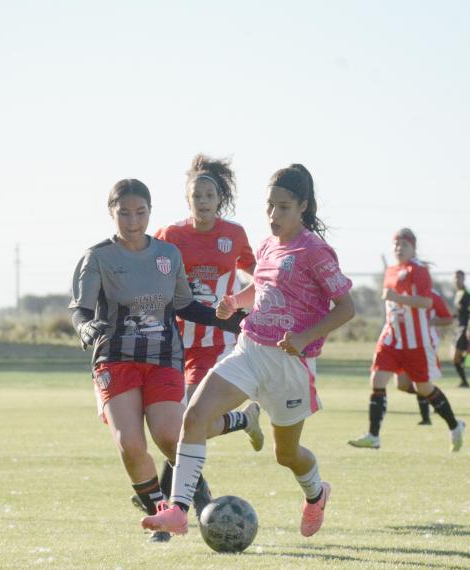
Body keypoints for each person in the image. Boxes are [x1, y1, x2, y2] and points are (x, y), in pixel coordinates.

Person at [140, 164, 355, 538]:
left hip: (290, 366)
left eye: (283, 207)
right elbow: (264, 288)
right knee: (193, 416)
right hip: (250, 348)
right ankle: (178, 510)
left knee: (286, 455)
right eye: (269, 206)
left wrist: (304, 339)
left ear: (303, 206)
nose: (273, 215)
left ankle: (317, 493)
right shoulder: (268, 245)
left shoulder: (315, 251)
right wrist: (234, 301)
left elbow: (347, 308)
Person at [68, 178, 245, 543]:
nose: (133, 221)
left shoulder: (167, 255)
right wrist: (85, 329)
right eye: (125, 213)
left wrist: (232, 318)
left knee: (170, 436)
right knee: (130, 446)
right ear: (111, 213)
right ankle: (162, 514)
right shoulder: (97, 257)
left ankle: (195, 495)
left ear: (150, 212)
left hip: (164, 357)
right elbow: (80, 311)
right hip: (115, 359)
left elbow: (184, 305)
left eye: (141, 212)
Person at [147, 154, 260, 507]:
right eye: (197, 196)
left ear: (219, 199)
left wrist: (245, 304)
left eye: (209, 196)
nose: (204, 202)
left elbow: (260, 277)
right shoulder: (170, 235)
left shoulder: (234, 234)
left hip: (219, 340)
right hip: (176, 342)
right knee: (180, 427)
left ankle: (172, 502)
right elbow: (148, 270)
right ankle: (244, 419)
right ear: (188, 200)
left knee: (189, 422)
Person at [348, 228, 465, 452]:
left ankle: (455, 425)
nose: (399, 249)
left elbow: (426, 303)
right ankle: (373, 436)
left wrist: (397, 297)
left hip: (415, 342)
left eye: (404, 245)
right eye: (396, 245)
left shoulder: (419, 270)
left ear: (413, 247)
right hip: (391, 337)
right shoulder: (391, 270)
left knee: (424, 388)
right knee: (377, 381)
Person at [394, 288, 455, 425]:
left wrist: (432, 322)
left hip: (425, 342)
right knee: (401, 384)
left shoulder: (433, 296)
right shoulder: (401, 294)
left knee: (419, 380)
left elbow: (448, 319)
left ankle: (426, 418)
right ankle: (435, 397)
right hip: (403, 342)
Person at [452, 269, 470, 388]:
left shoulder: (468, 294)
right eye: (455, 278)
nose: (457, 280)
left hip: (464, 328)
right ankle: (465, 381)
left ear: (464, 279)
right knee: (455, 357)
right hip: (458, 328)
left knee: (456, 356)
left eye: (459, 278)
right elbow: (460, 312)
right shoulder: (458, 293)